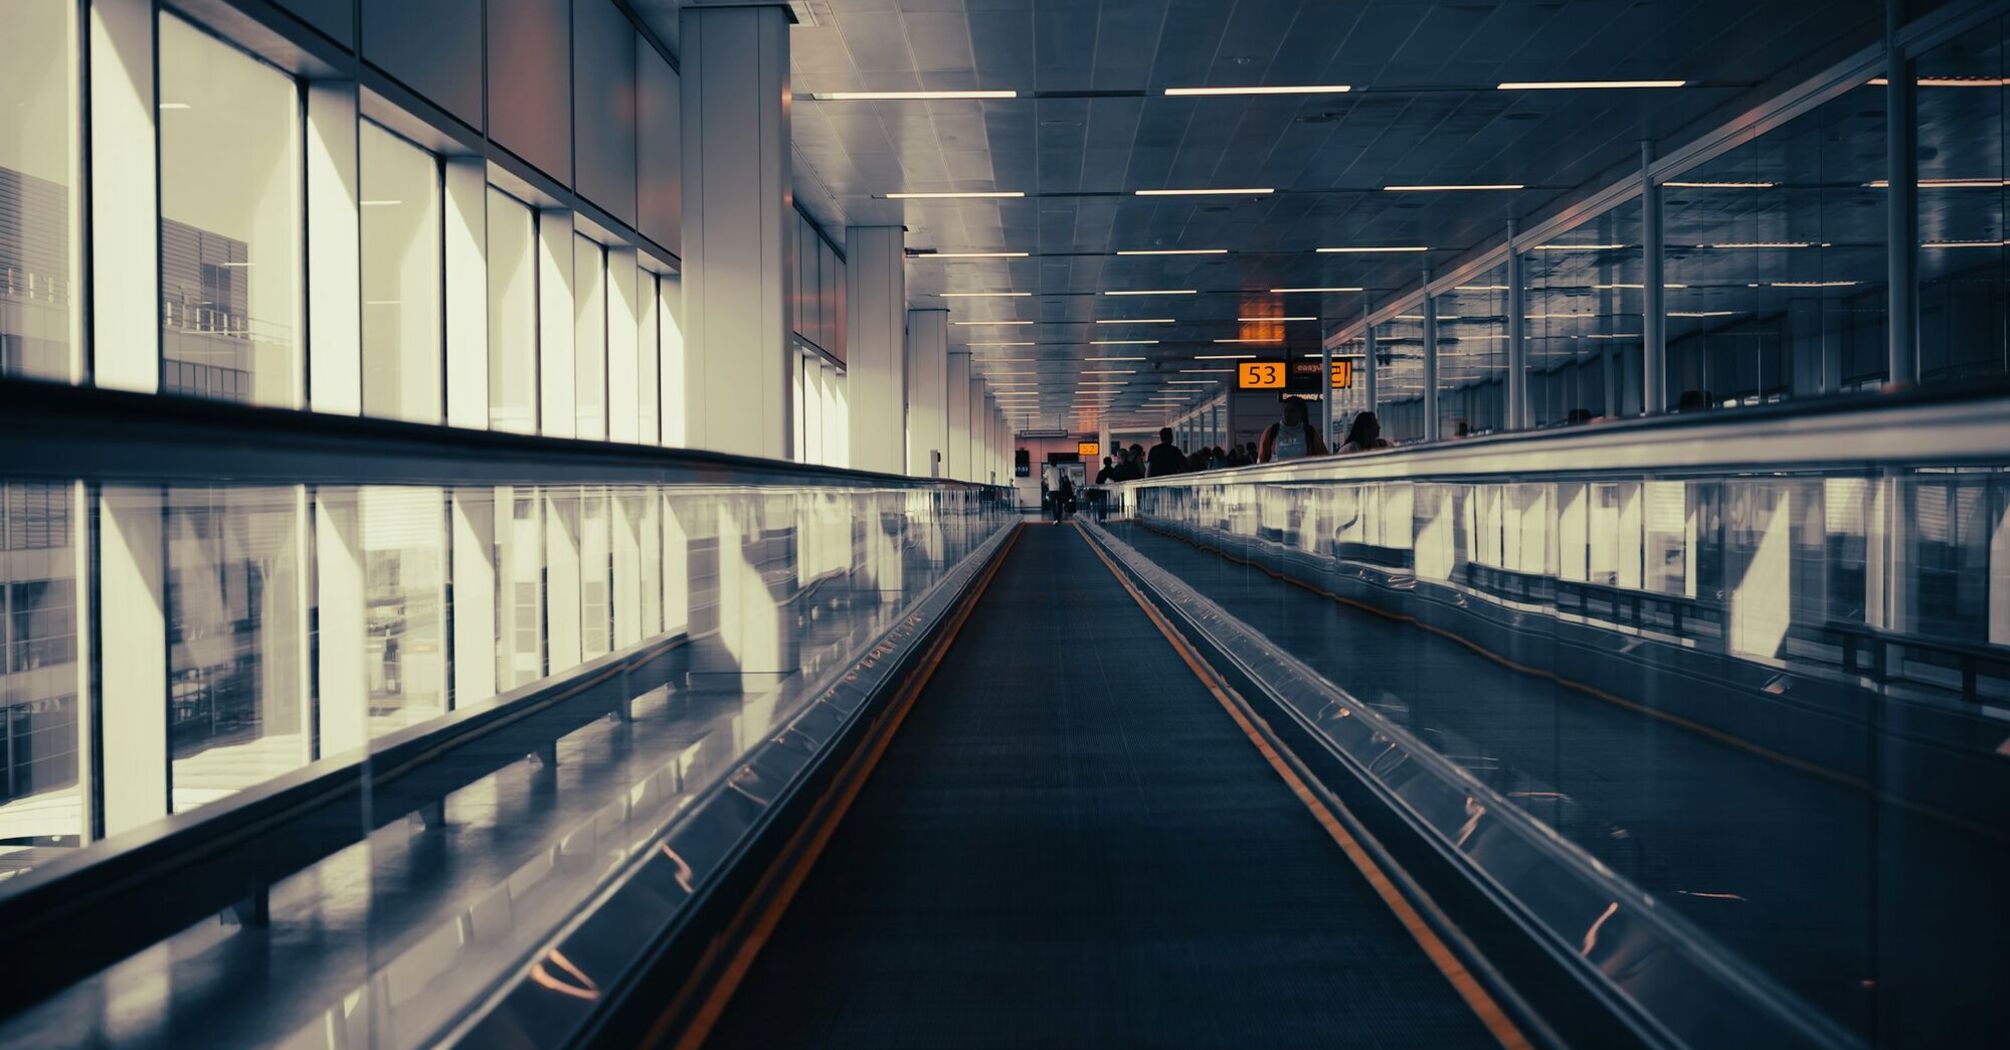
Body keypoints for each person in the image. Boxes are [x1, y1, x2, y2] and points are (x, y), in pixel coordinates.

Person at [1257, 396, 1329, 463]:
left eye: (1292, 411)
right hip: (1276, 475)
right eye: (1285, 410)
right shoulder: (1272, 431)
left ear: (1300, 413)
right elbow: (1262, 459)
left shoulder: (1309, 432)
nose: (1288, 414)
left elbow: (1323, 458)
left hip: (1303, 475)